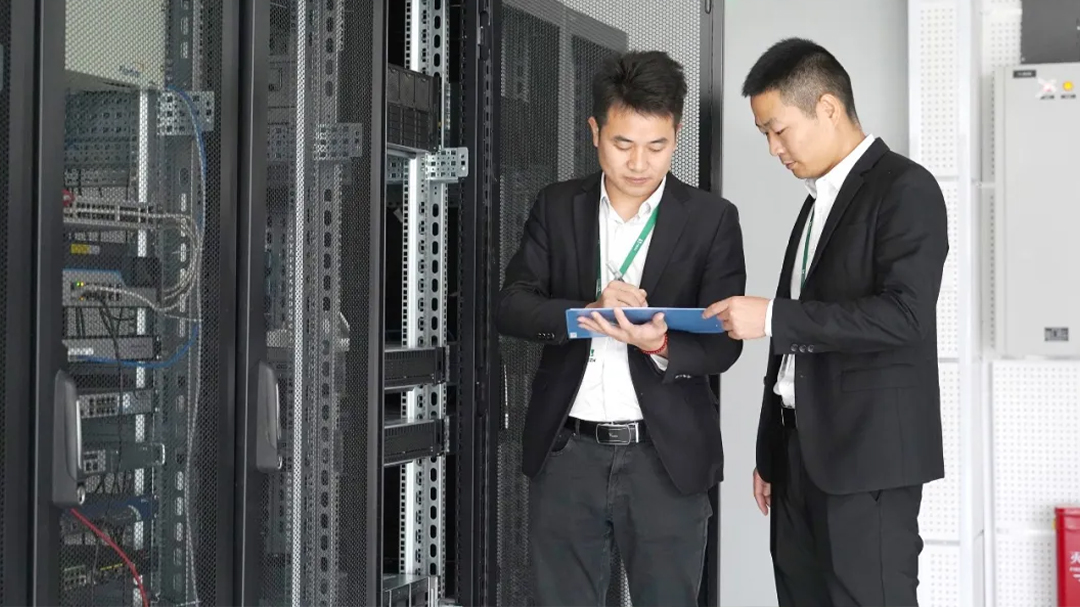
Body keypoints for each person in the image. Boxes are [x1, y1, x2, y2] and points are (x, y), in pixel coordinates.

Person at [703, 38, 948, 606]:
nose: (773, 149)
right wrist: (772, 451)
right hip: (798, 459)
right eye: (765, 134)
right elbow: (800, 343)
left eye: (778, 130)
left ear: (828, 108)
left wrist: (771, 315)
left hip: (866, 462)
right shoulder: (818, 202)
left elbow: (905, 316)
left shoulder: (906, 188)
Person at [496, 50, 745, 606]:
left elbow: (725, 346)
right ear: (594, 132)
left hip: (665, 458)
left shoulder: (711, 220)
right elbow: (511, 306)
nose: (639, 163)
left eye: (657, 146)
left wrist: (660, 343)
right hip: (568, 451)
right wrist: (587, 312)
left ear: (676, 136)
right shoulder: (558, 206)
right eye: (623, 143)